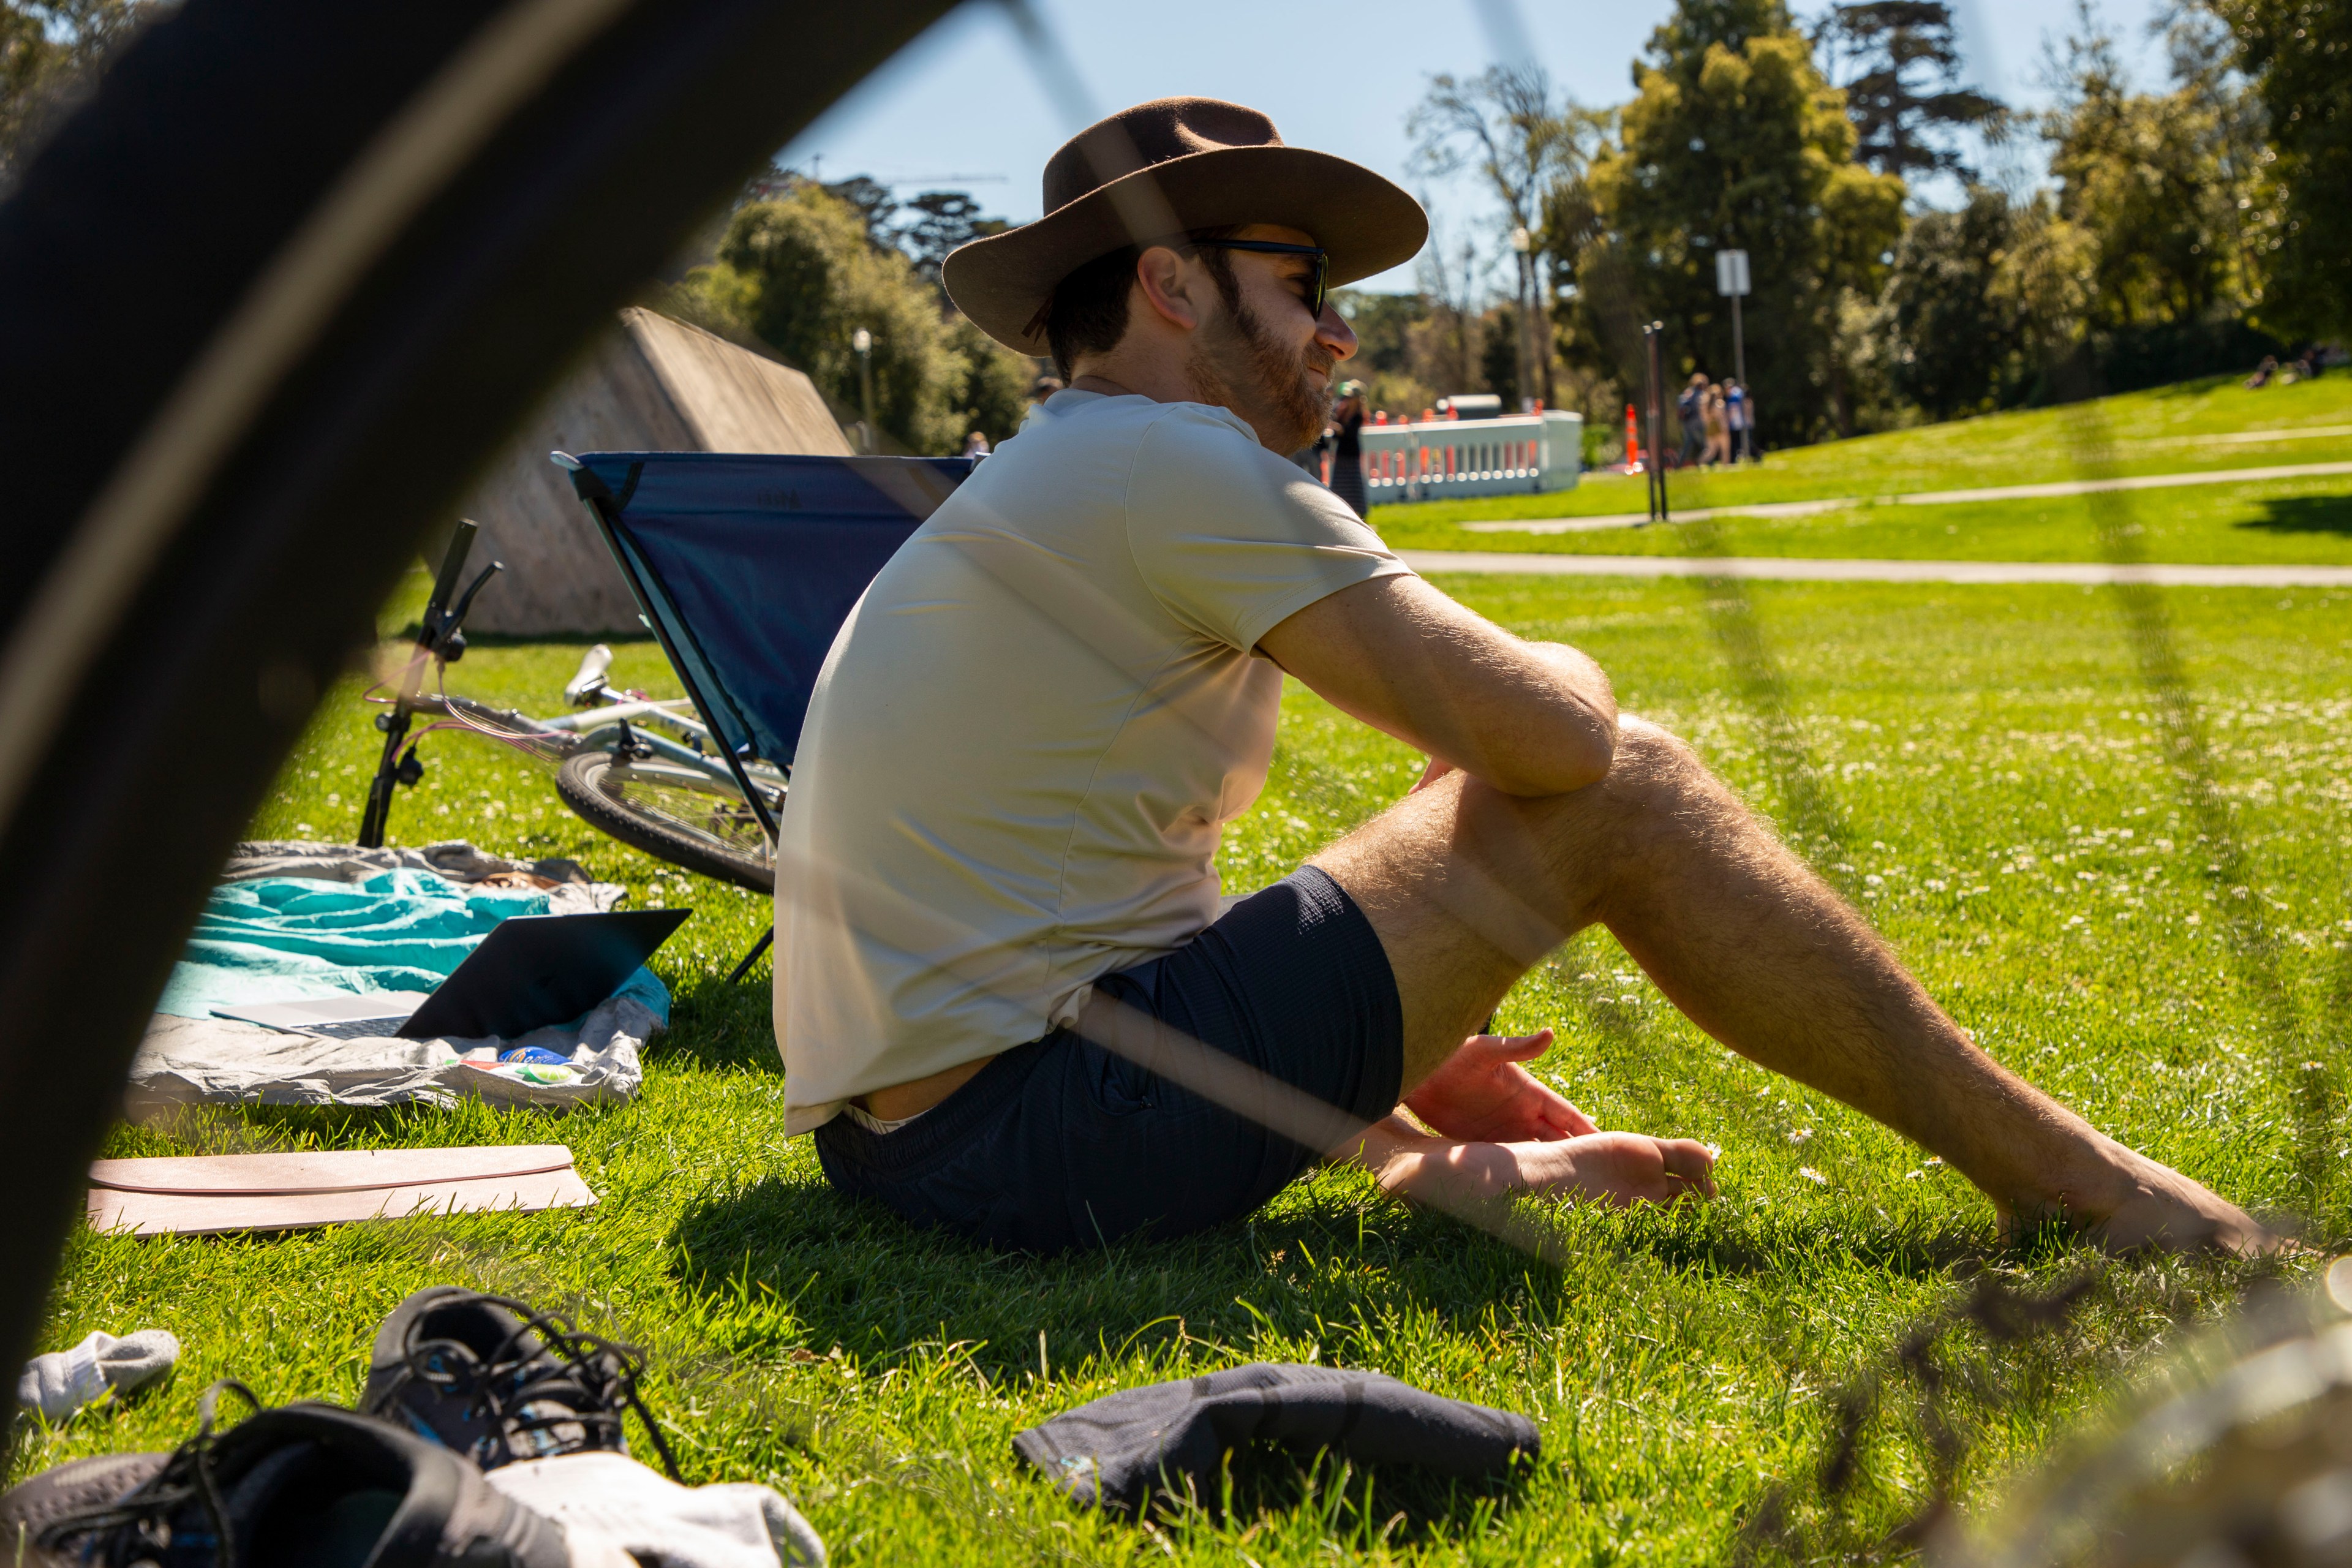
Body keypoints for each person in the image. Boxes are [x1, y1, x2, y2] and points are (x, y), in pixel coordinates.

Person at [774, 96, 2268, 1257]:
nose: (1338, 331)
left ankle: (1447, 1168)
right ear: (1170, 283)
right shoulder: (1171, 458)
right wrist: (1554, 709)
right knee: (1630, 781)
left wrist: (1394, 1036)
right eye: (1297, 284)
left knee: (1484, 787)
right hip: (1026, 1135)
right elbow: (1556, 740)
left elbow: (1079, 908)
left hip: (900, 1138)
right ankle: (2082, 1187)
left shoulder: (1052, 474)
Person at [1327, 380, 1368, 517]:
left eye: (1350, 398)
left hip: (1352, 453)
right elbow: (1336, 436)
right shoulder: (1342, 412)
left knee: (1354, 485)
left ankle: (1361, 513)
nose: (1347, 400)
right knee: (1340, 486)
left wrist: (1340, 429)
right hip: (1341, 453)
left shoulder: (1358, 415)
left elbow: (1350, 433)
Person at [1676, 373, 1706, 468]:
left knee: (1687, 446)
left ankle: (1678, 465)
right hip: (1697, 423)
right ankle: (1708, 462)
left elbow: (1681, 404)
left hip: (1687, 424)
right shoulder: (1700, 394)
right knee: (1704, 444)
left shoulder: (1687, 393)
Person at [1724, 379, 1750, 463]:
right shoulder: (1736, 395)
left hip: (1736, 424)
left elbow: (1733, 411)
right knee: (1737, 442)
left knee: (1738, 442)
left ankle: (1738, 458)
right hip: (1736, 424)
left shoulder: (1735, 396)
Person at [1703, 385, 1729, 466]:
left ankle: (1700, 462)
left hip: (1711, 428)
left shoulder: (1706, 405)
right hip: (1720, 428)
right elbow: (1721, 418)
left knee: (1711, 451)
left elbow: (1705, 419)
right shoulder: (1720, 404)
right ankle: (1725, 465)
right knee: (1725, 449)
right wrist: (1725, 428)